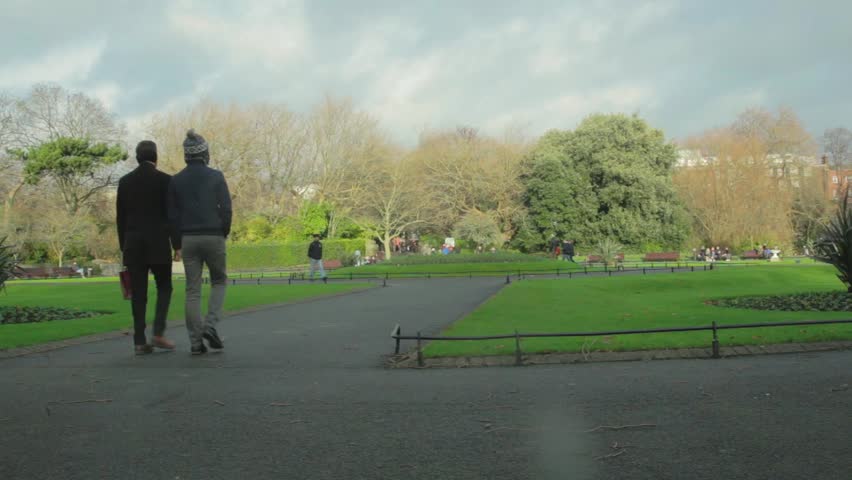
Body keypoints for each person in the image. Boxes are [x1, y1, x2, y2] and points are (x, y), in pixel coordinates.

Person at [169, 130, 231, 356]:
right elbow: (226, 208)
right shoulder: (216, 177)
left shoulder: (176, 181)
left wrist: (176, 243)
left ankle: (196, 342)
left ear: (186, 155)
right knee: (219, 281)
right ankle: (210, 325)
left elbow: (172, 216)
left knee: (192, 290)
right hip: (213, 235)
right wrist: (223, 232)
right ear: (205, 152)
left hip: (188, 238)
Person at [117, 140, 178, 355]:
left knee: (139, 293)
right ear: (156, 157)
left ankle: (139, 340)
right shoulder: (166, 181)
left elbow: (120, 218)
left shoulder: (125, 182)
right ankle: (158, 332)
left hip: (133, 243)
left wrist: (123, 246)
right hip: (159, 242)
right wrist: (176, 244)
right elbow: (172, 216)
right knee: (164, 287)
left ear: (137, 157)